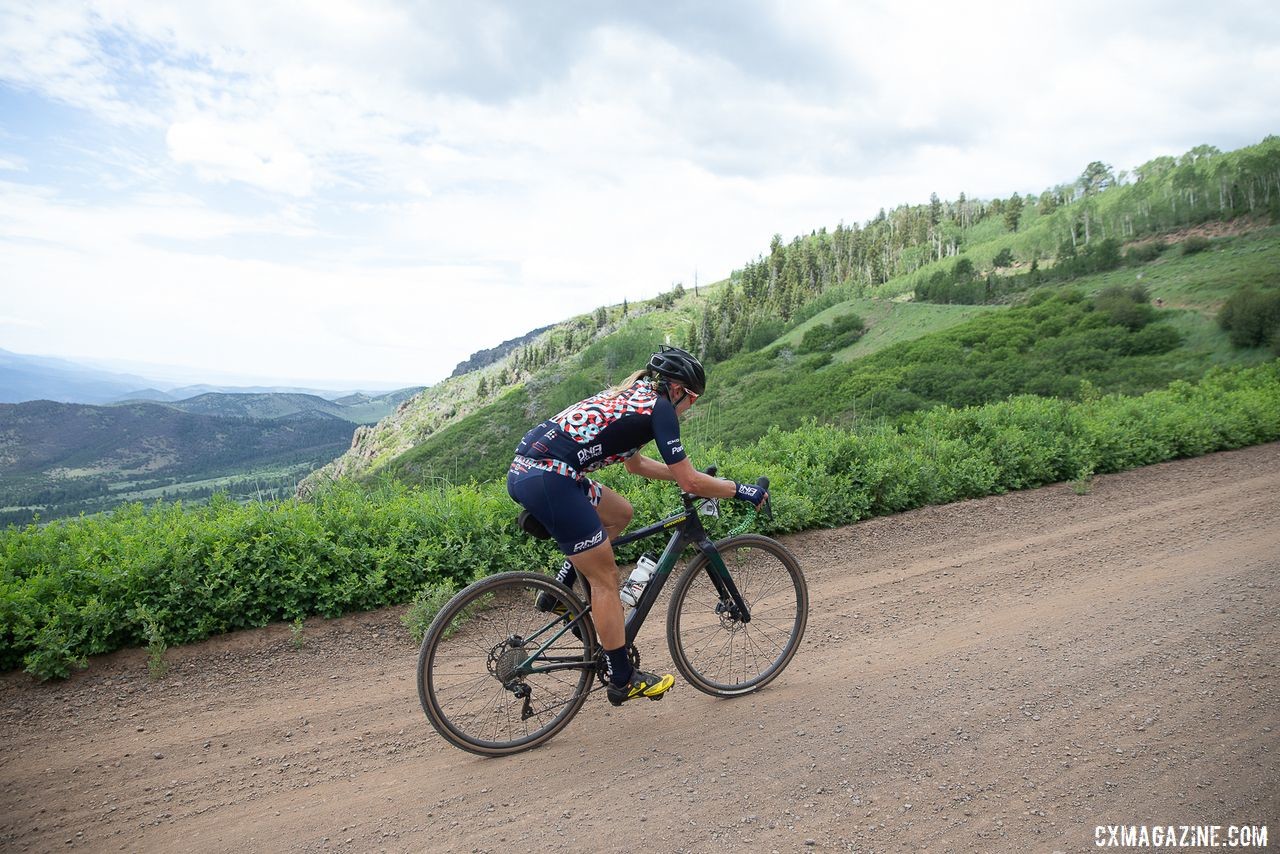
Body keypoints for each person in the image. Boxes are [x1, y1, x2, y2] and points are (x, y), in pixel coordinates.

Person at [506, 345, 770, 706]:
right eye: (692, 399)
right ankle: (623, 677)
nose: (690, 407)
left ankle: (558, 591)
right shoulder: (660, 409)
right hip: (553, 479)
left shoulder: (634, 396)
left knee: (619, 514)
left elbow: (638, 466)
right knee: (605, 581)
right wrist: (741, 490)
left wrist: (697, 480)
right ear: (677, 390)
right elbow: (690, 483)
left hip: (533, 471)